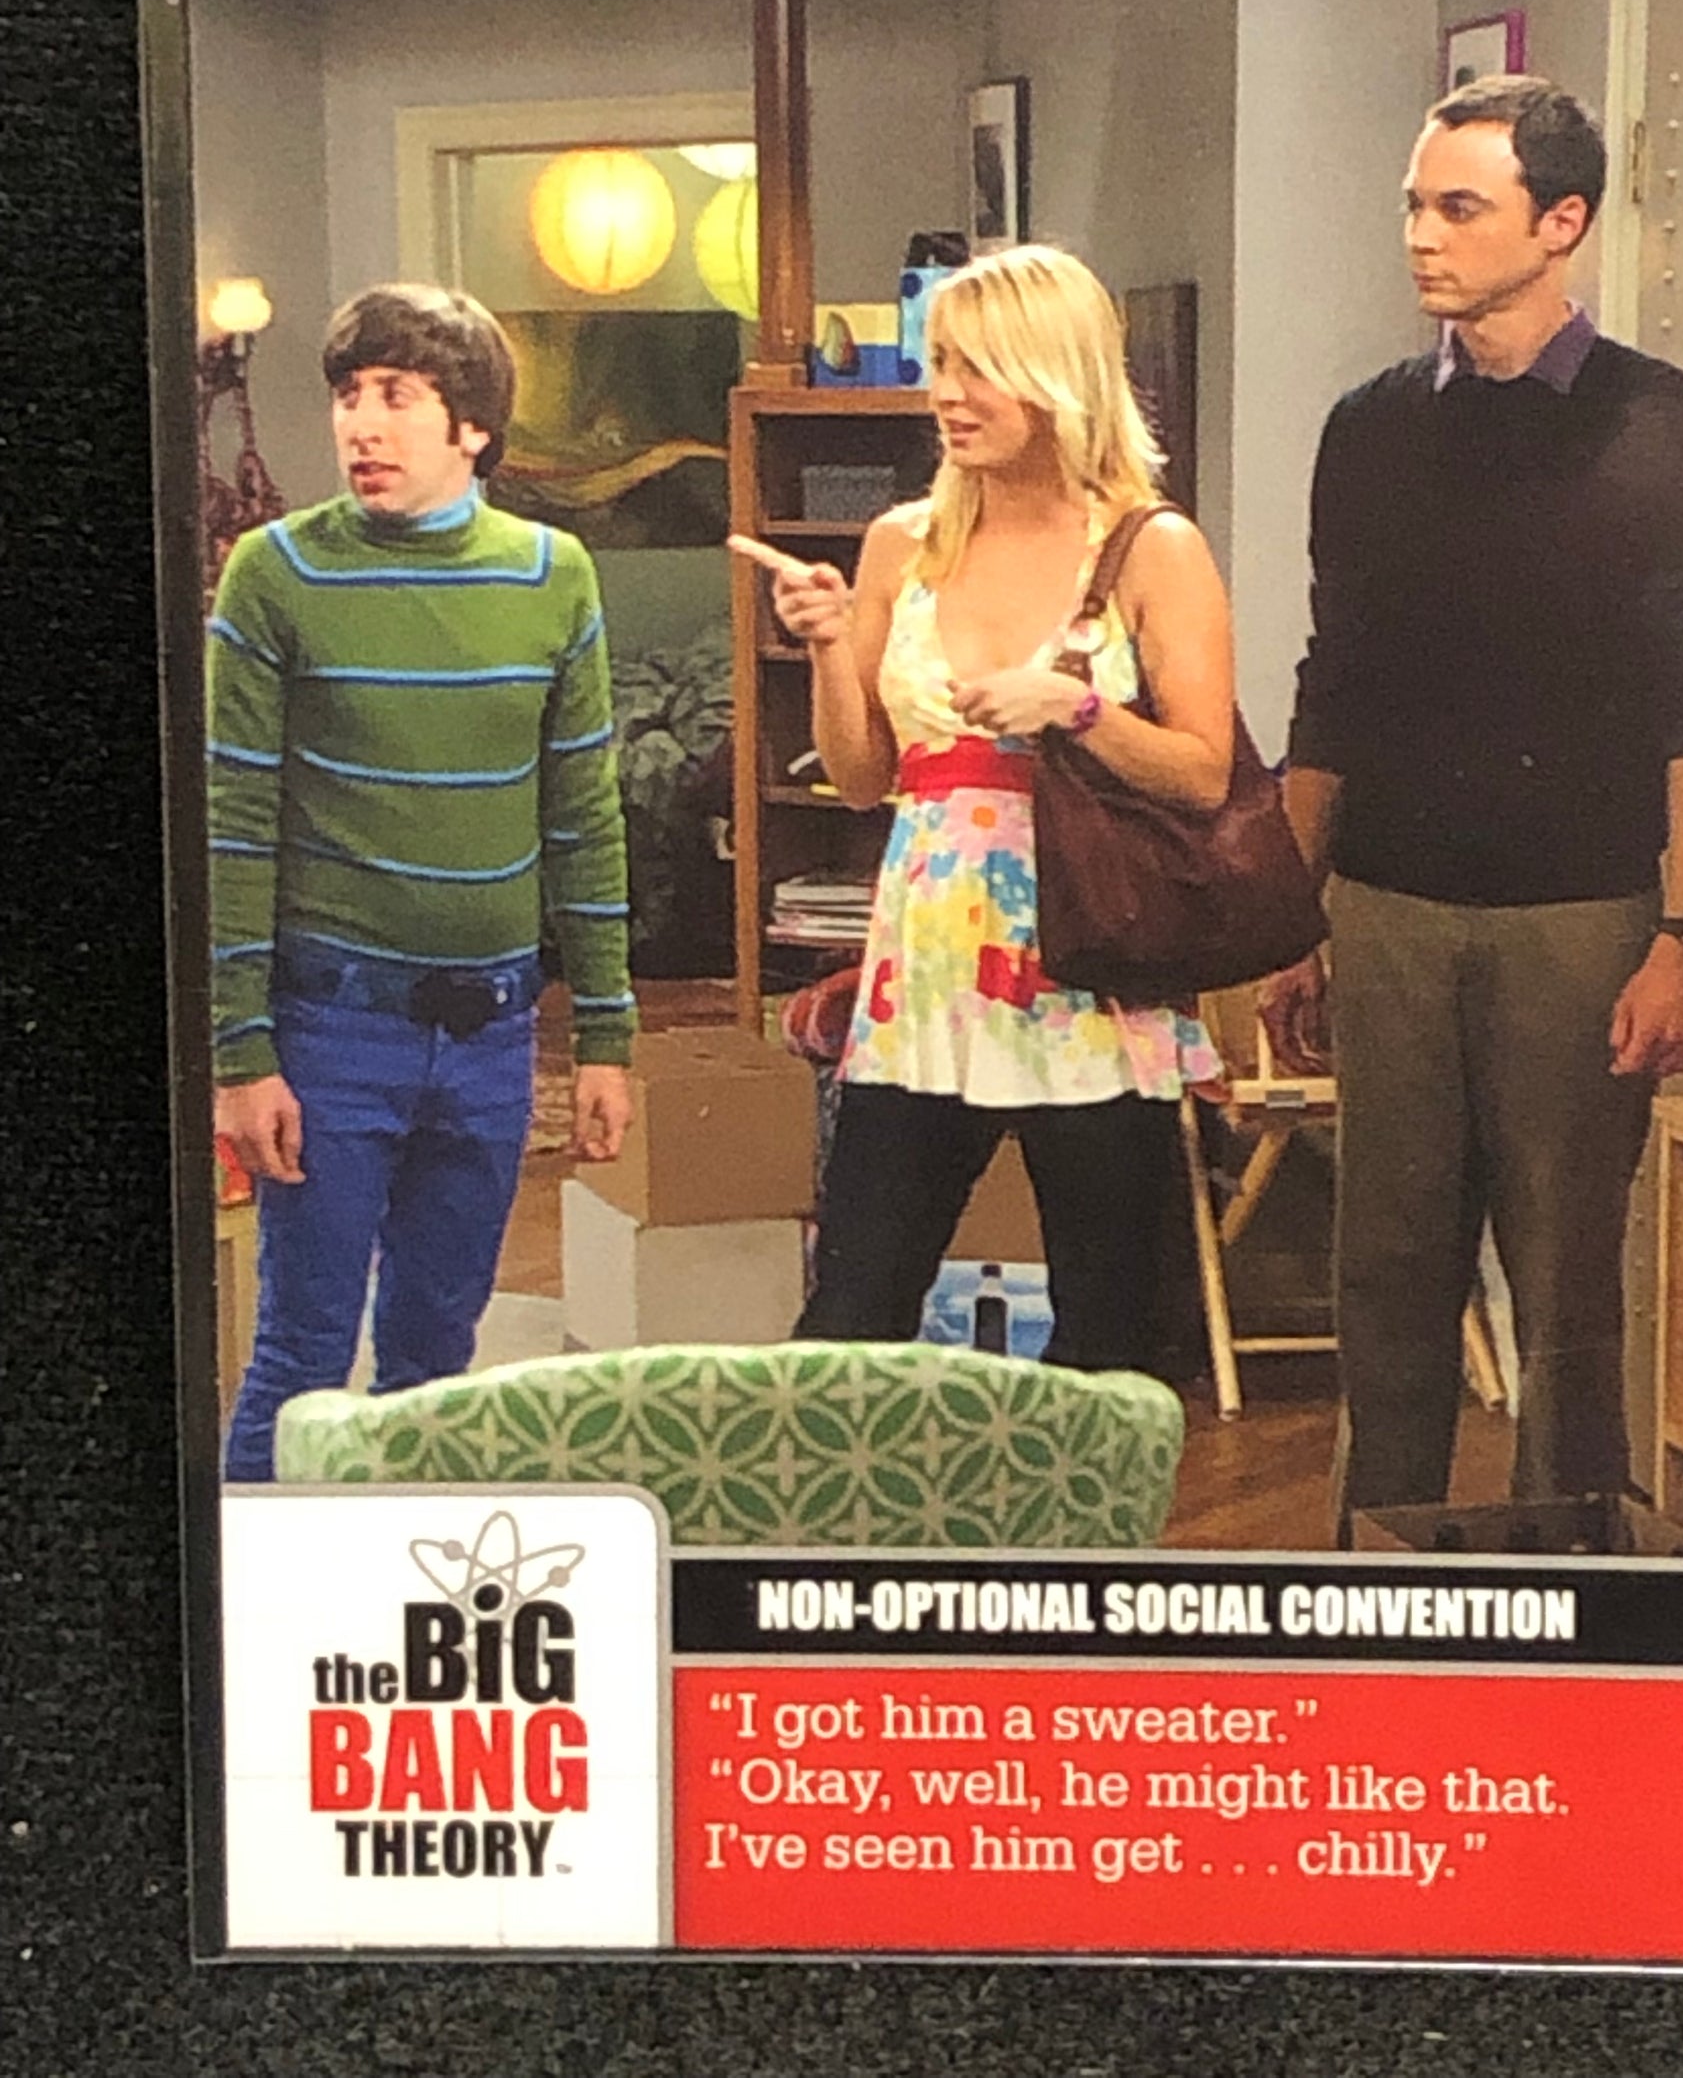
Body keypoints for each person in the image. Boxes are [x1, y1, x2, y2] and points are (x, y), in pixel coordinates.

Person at [1260, 76, 1683, 1525]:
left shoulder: (1660, 425)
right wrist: (1287, 913)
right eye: (1414, 204)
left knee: (1564, 1285)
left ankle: (1567, 1588)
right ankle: (1372, 1576)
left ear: (1560, 221)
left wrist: (1681, 934)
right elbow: (1333, 681)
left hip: (1578, 913)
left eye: (1458, 207)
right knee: (1386, 1276)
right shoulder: (1368, 426)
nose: (1421, 234)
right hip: (1389, 904)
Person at [733, 243, 1231, 1377]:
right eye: (940, 364)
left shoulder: (1148, 546)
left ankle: (1094, 1505)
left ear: (1057, 376)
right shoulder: (902, 543)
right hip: (923, 980)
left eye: (978, 368)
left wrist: (1075, 710)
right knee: (851, 1315)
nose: (945, 395)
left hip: (1089, 973)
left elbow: (1202, 773)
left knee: (1110, 1337)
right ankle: (843, 1498)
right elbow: (865, 777)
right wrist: (825, 646)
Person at [208, 283, 636, 1481]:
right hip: (332, 1027)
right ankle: (250, 1595)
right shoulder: (274, 573)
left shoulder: (553, 575)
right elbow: (232, 824)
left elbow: (583, 819)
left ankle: (401, 1582)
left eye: (396, 396)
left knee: (438, 1364)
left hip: (492, 1031)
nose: (362, 424)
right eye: (349, 395)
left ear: (473, 427)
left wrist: (606, 1038)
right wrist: (240, 1053)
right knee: (301, 1355)